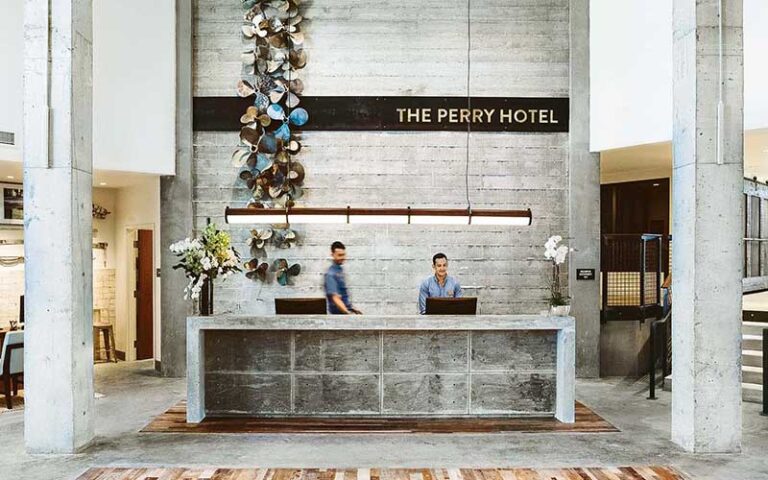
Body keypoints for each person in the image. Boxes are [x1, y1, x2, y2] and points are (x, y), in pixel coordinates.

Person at [324, 241, 362, 315]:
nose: (343, 258)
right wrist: (348, 313)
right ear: (332, 255)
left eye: (344, 255)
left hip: (344, 312)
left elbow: (343, 295)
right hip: (339, 316)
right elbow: (335, 298)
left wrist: (353, 309)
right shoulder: (330, 274)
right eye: (340, 255)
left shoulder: (339, 270)